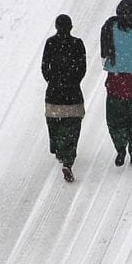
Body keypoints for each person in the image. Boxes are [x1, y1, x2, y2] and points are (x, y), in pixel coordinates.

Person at [99, 0, 132, 166]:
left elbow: (105, 51)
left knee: (116, 118)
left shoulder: (110, 28)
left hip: (116, 81)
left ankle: (121, 146)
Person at [42, 14, 88, 182]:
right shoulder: (77, 44)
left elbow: (44, 66)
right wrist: (73, 81)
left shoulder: (50, 43)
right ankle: (68, 160)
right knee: (72, 127)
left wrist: (53, 80)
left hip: (54, 93)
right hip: (73, 93)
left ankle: (58, 149)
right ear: (71, 27)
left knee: (54, 124)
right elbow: (82, 68)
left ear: (56, 27)